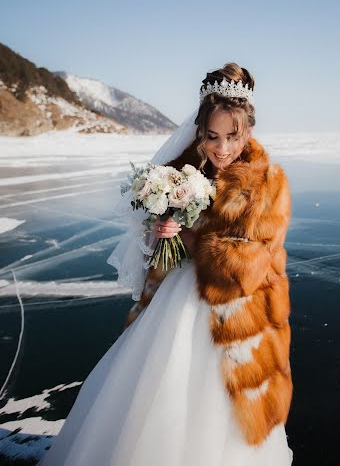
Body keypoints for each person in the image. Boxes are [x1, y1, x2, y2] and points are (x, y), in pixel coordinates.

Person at [37, 63, 294, 466]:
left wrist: (188, 236)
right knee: (150, 394)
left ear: (249, 132)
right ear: (200, 132)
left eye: (233, 137)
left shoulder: (267, 186)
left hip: (238, 320)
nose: (222, 149)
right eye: (212, 137)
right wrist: (161, 229)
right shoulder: (184, 173)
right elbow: (160, 243)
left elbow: (244, 271)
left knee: (220, 412)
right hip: (175, 298)